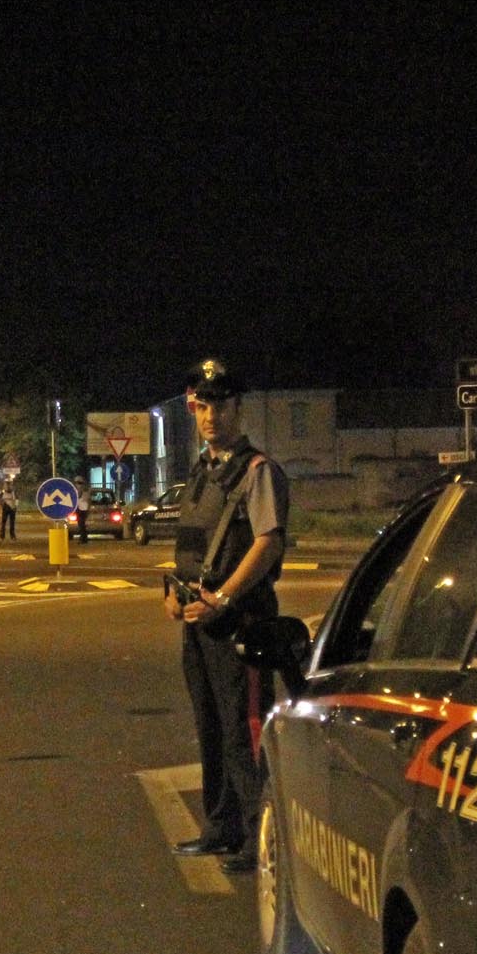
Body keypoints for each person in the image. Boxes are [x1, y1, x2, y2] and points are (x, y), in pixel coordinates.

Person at [163, 358, 289, 875]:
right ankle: (222, 828)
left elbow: (267, 543)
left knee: (245, 731)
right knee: (211, 728)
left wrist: (225, 598)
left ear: (238, 407)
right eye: (201, 405)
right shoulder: (201, 472)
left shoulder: (258, 471)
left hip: (242, 625)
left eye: (220, 404)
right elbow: (192, 545)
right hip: (200, 621)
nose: (210, 415)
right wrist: (172, 593)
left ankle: (262, 841)